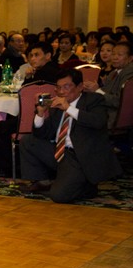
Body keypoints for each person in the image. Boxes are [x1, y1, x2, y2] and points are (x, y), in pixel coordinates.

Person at [20, 69, 121, 202]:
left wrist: (69, 108)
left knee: (59, 196)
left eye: (66, 87)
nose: (61, 91)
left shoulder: (94, 100)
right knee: (28, 141)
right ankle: (43, 182)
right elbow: (43, 134)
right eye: (58, 87)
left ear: (80, 87)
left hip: (79, 156)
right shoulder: (57, 104)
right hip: (60, 151)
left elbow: (98, 122)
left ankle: (86, 185)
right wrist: (40, 114)